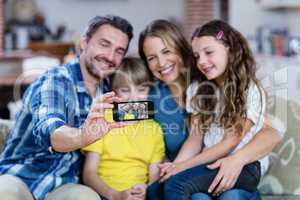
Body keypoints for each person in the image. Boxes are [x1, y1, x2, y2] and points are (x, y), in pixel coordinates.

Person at [138, 19, 282, 200]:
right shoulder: (153, 96)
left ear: (182, 50)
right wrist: (174, 167)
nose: (161, 62)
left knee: (227, 195)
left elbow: (270, 132)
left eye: (166, 51)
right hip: (199, 168)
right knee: (162, 191)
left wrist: (183, 167)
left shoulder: (243, 88)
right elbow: (120, 114)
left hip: (236, 165)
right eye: (151, 58)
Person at [0, 15, 133, 200]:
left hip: (65, 184)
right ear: (84, 43)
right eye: (104, 44)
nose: (111, 56)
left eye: (119, 51)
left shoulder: (109, 90)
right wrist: (81, 136)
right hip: (21, 176)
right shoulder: (55, 81)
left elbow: (142, 113)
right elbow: (50, 129)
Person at [82, 57, 165, 200]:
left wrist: (146, 189)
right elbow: (89, 174)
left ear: (149, 91)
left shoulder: (155, 129)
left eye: (141, 89)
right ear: (115, 92)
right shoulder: (102, 120)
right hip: (105, 194)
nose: (133, 97)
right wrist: (116, 195)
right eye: (125, 90)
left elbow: (154, 175)